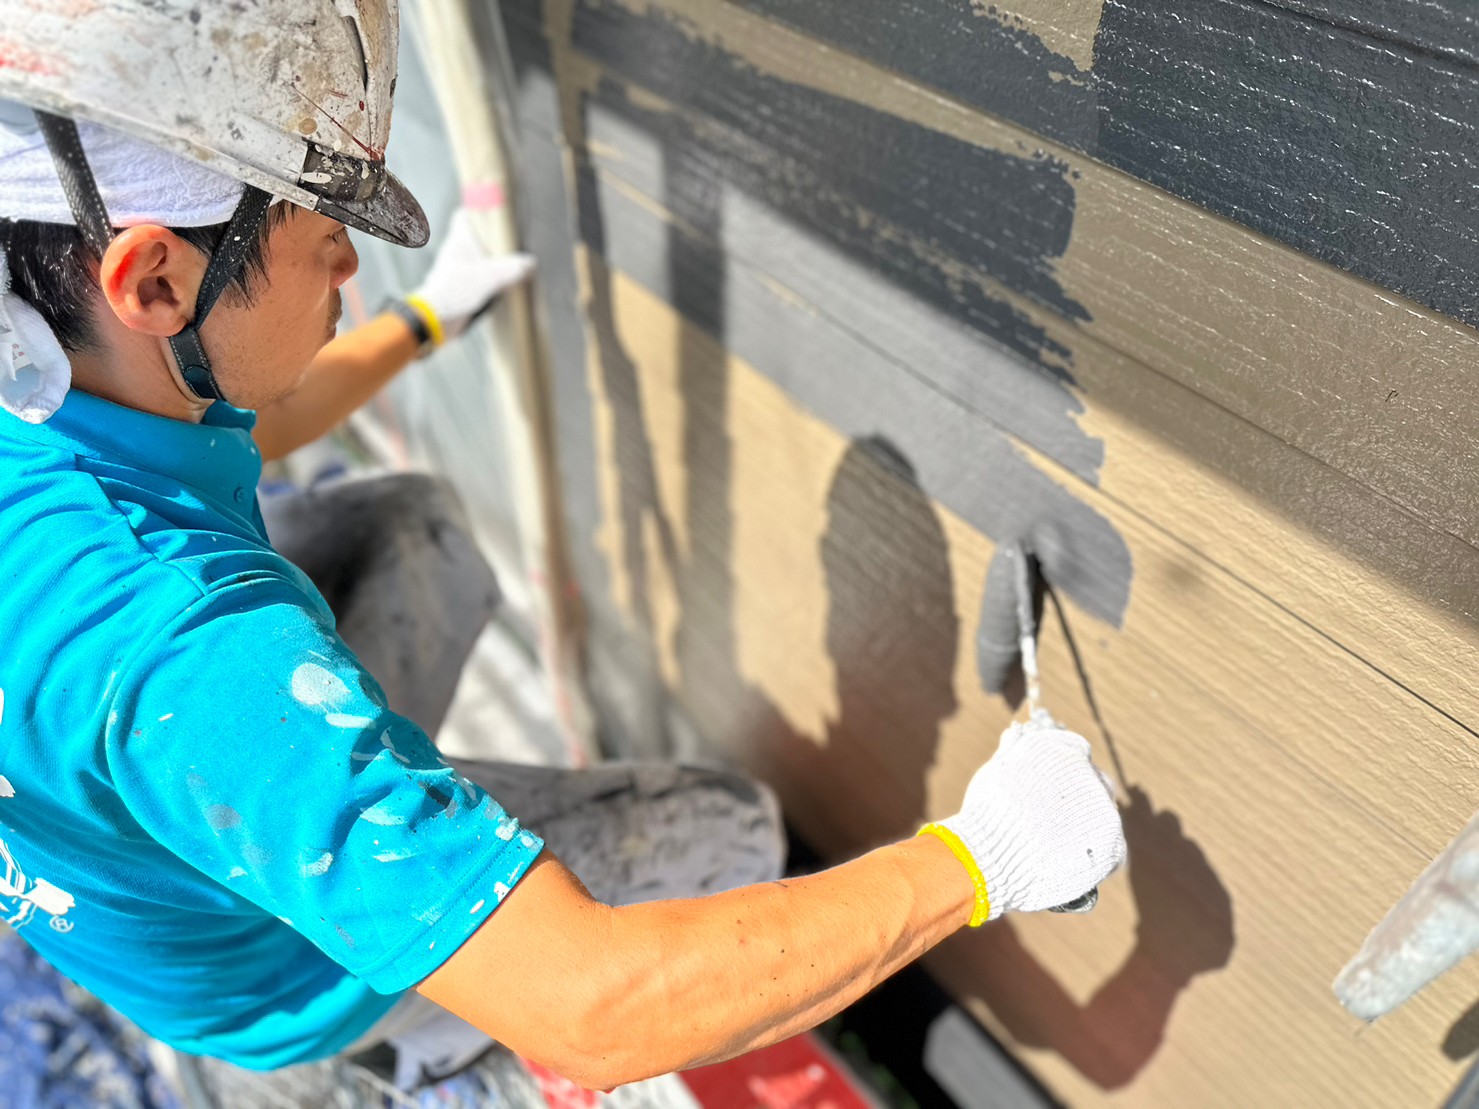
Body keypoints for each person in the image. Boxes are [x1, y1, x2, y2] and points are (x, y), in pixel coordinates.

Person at [0, 0, 1127, 1092]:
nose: (352, 271)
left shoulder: (52, 366)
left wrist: (428, 321)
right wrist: (981, 858)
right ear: (152, 280)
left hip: (141, 872)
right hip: (281, 978)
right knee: (728, 831)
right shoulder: (189, 653)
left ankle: (373, 831)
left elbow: (247, 420)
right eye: (328, 238)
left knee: (415, 530)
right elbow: (595, 1005)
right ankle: (411, 1026)